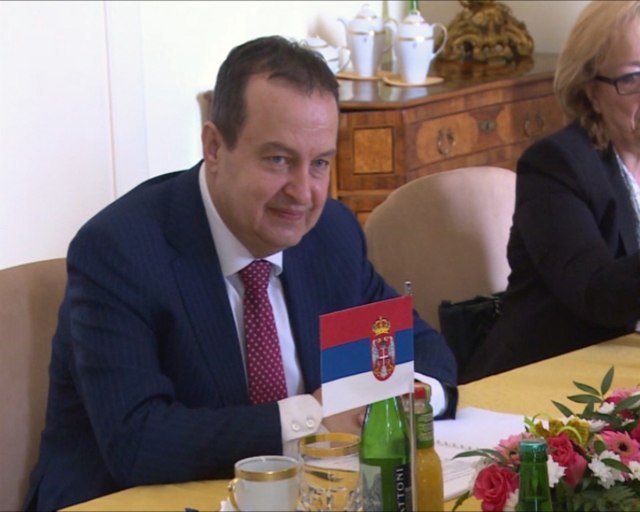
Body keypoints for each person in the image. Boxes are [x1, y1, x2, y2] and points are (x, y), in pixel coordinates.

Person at [24, 35, 458, 511]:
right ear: (214, 146)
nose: (304, 192)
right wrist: (313, 418)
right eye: (278, 159)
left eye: (319, 163)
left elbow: (419, 349)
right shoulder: (121, 249)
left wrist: (400, 402)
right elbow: (138, 440)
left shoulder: (329, 233)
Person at [466, 0, 640, 381]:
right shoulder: (555, 165)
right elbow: (596, 293)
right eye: (632, 78)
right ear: (591, 91)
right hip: (542, 384)